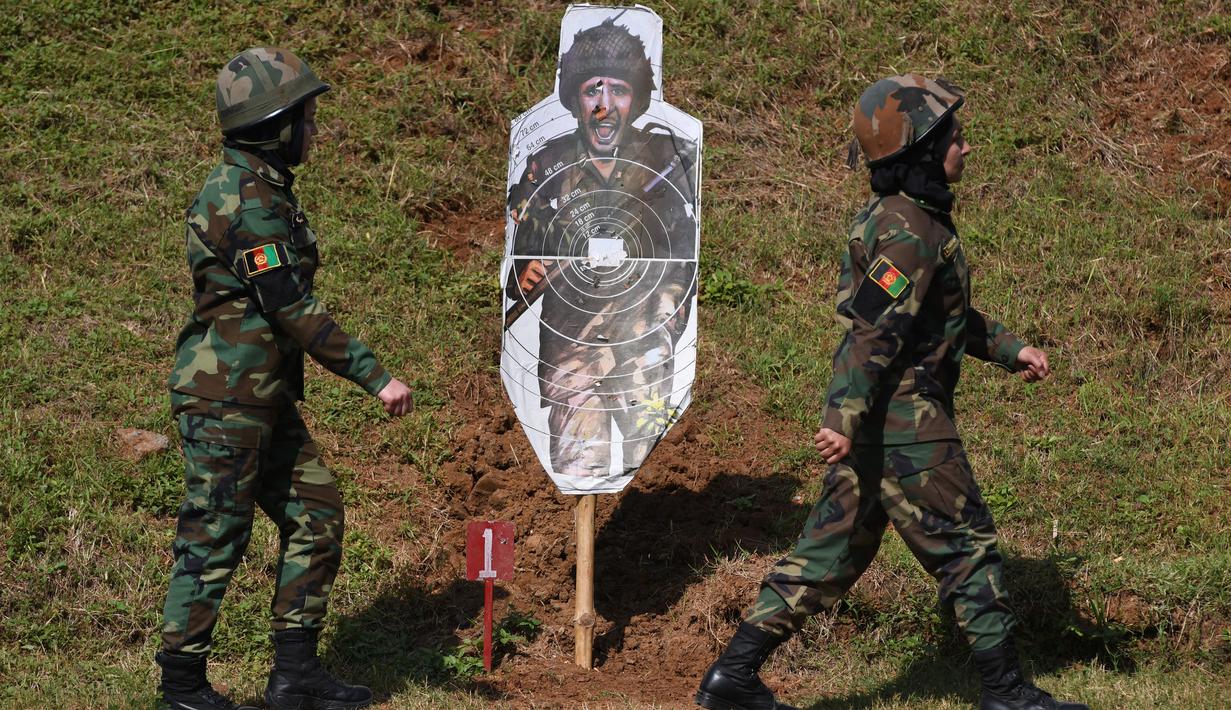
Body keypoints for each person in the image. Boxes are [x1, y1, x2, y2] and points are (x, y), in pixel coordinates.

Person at [695, 75, 1087, 710]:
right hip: (909, 424)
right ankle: (1006, 692)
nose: (966, 147)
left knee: (831, 553)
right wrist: (841, 416)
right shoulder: (909, 230)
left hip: (881, 421)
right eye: (955, 137)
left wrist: (1010, 349)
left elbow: (935, 316)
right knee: (967, 547)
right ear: (922, 150)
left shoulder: (906, 219)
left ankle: (733, 677)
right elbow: (874, 330)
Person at [157, 47, 413, 710]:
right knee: (215, 532)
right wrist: (374, 376)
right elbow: (289, 306)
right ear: (273, 126)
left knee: (316, 513)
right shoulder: (243, 200)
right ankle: (181, 688)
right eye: (306, 118)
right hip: (225, 399)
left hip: (260, 397)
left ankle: (294, 676)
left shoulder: (266, 189)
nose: (314, 130)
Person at [504, 19, 699, 480]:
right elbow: (519, 260)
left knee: (648, 459)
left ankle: (642, 526)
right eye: (593, 89)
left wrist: (666, 311)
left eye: (619, 90)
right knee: (579, 465)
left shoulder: (670, 157)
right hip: (571, 337)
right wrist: (526, 271)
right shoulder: (547, 166)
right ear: (575, 99)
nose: (604, 106)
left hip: (643, 328)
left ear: (637, 100)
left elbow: (687, 252)